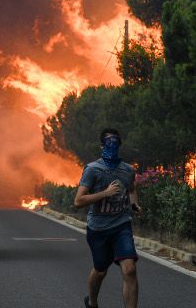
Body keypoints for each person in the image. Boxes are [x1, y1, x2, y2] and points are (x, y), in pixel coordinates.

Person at [73, 129, 143, 308]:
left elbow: (132, 189)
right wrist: (106, 193)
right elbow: (78, 201)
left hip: (121, 225)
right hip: (98, 229)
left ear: (120, 145)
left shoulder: (128, 170)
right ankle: (93, 302)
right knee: (100, 271)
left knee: (129, 269)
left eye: (116, 143)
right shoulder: (92, 169)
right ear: (102, 145)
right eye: (108, 143)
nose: (112, 146)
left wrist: (134, 204)